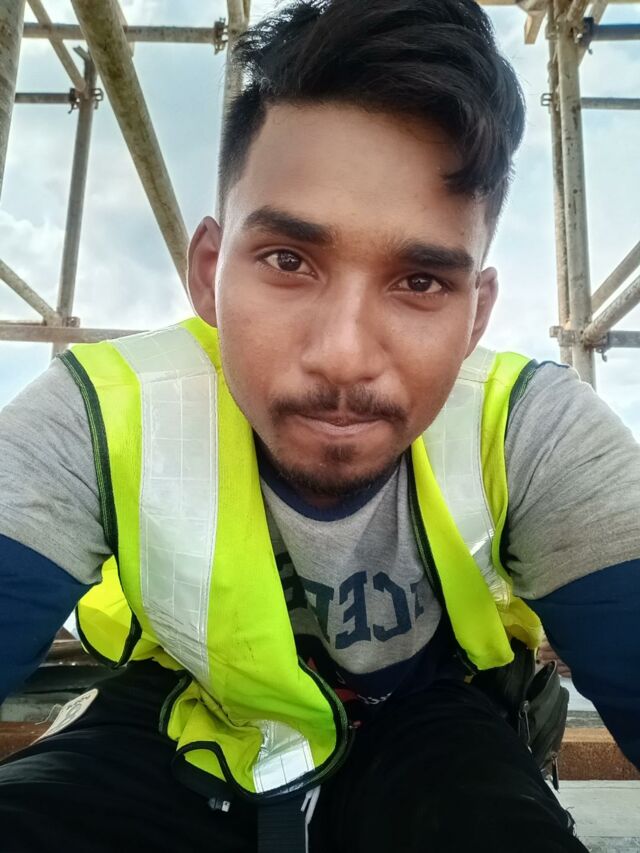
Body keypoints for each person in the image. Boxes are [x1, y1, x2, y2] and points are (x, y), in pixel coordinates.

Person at [0, 0, 638, 850]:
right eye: (289, 260)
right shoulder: (101, 410)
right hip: (184, 700)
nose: (343, 356)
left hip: (434, 714)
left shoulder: (531, 428)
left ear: (476, 313)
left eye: (419, 281)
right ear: (209, 273)